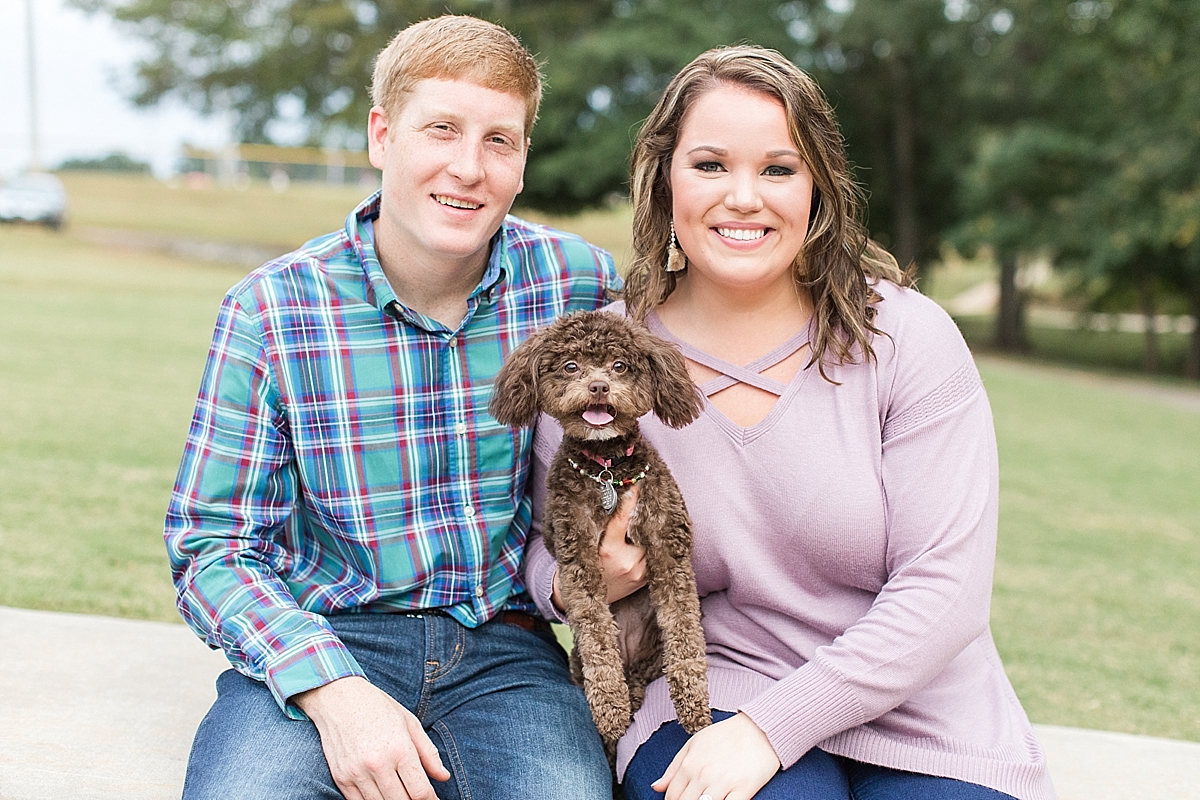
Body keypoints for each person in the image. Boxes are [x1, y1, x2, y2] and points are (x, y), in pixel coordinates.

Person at [524, 46, 1057, 800]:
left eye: (778, 169)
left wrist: (774, 729)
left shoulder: (907, 339)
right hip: (707, 694)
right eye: (710, 165)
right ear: (665, 175)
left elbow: (946, 588)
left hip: (922, 709)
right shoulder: (604, 361)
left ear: (818, 188)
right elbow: (548, 547)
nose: (744, 197)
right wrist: (585, 583)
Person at [165, 15, 620, 800]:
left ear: (522, 159)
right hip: (329, 633)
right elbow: (212, 547)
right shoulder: (272, 311)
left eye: (499, 141)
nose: (468, 168)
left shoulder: (577, 283)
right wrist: (330, 690)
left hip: (507, 649)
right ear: (382, 134)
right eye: (441, 129)